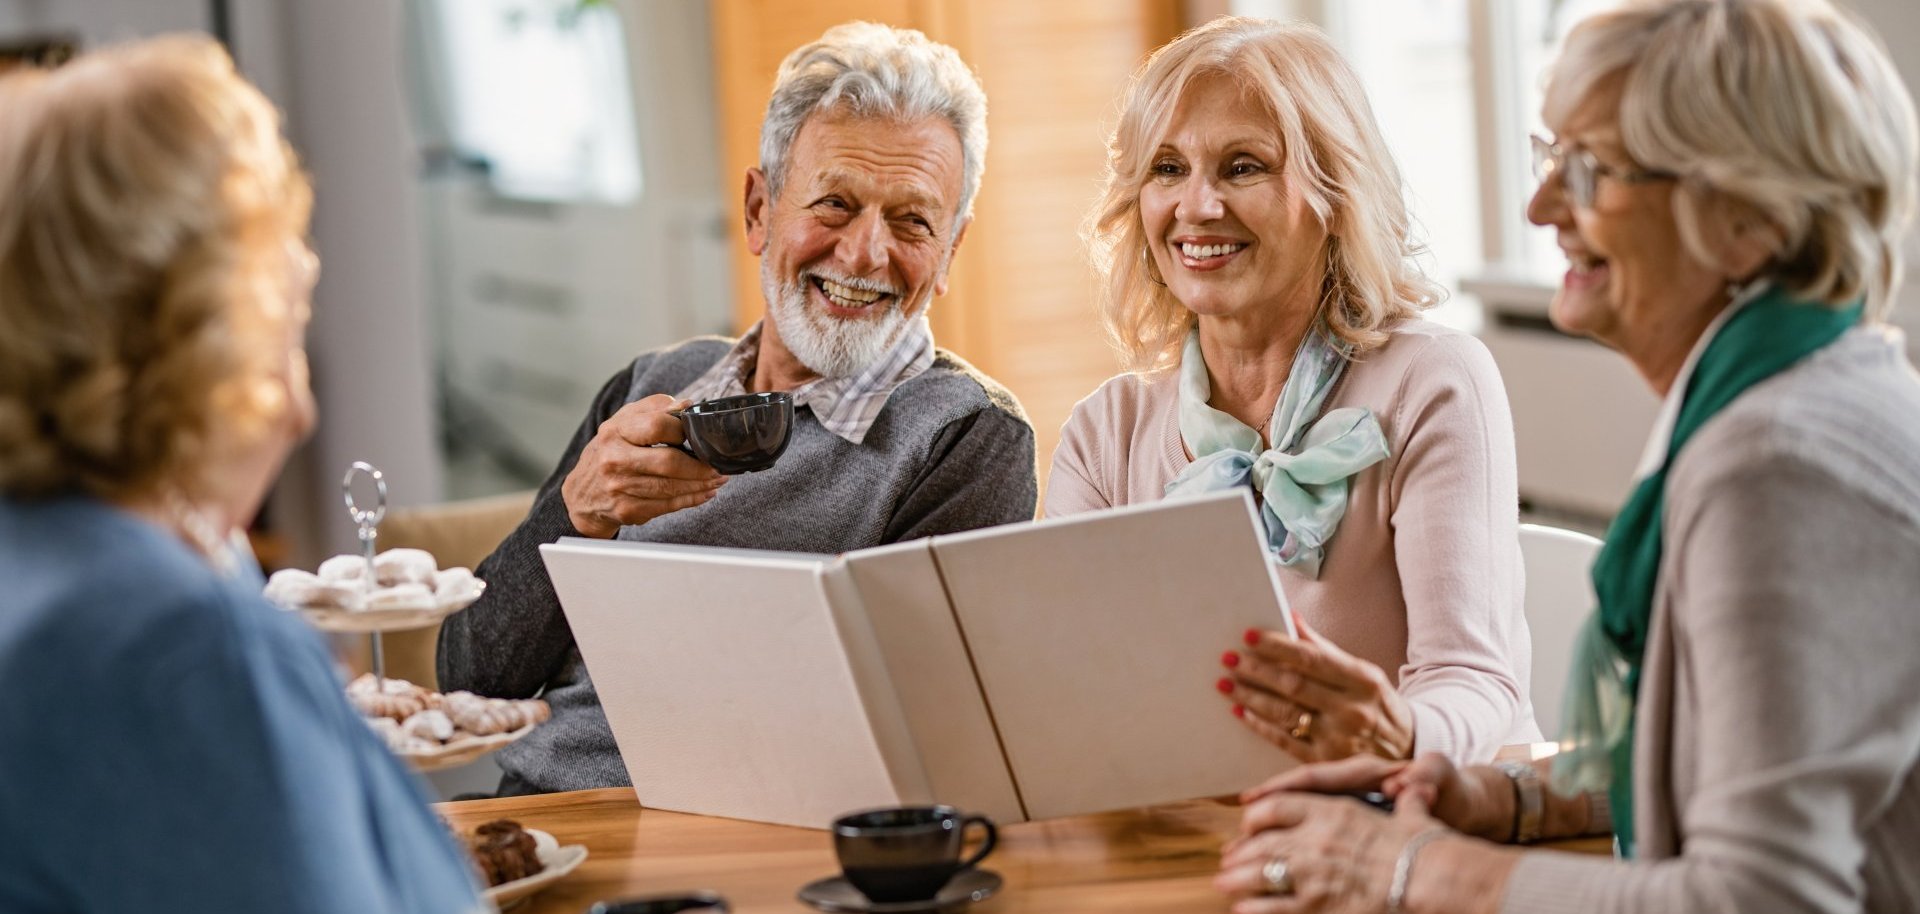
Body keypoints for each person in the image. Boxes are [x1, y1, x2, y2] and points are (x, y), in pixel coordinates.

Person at [1220, 1, 1920, 911]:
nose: (1540, 205)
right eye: (1550, 157)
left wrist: (1400, 868)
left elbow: (1762, 897)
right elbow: (1734, 762)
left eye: (1590, 169)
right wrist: (1507, 801)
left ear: (1750, 216)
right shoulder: (1794, 390)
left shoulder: (1776, 467)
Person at [438, 21, 1038, 796]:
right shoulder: (650, 384)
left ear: (951, 252)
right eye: (834, 204)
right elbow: (472, 682)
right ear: (760, 211)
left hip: (737, 848)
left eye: (913, 221)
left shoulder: (965, 435)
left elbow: (917, 744)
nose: (864, 254)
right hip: (539, 825)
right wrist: (574, 516)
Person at [0, 37, 482, 913]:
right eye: (278, 237)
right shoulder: (180, 640)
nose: (308, 267)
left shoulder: (55, 547)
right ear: (196, 311)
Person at [1050, 16, 1536, 767]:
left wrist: (1391, 731)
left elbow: (1473, 683)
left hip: (1415, 820)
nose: (1197, 207)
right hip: (1196, 826)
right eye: (1167, 169)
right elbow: (1069, 688)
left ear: (1336, 194)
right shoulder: (1103, 432)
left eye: (1243, 166)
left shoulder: (1433, 383)